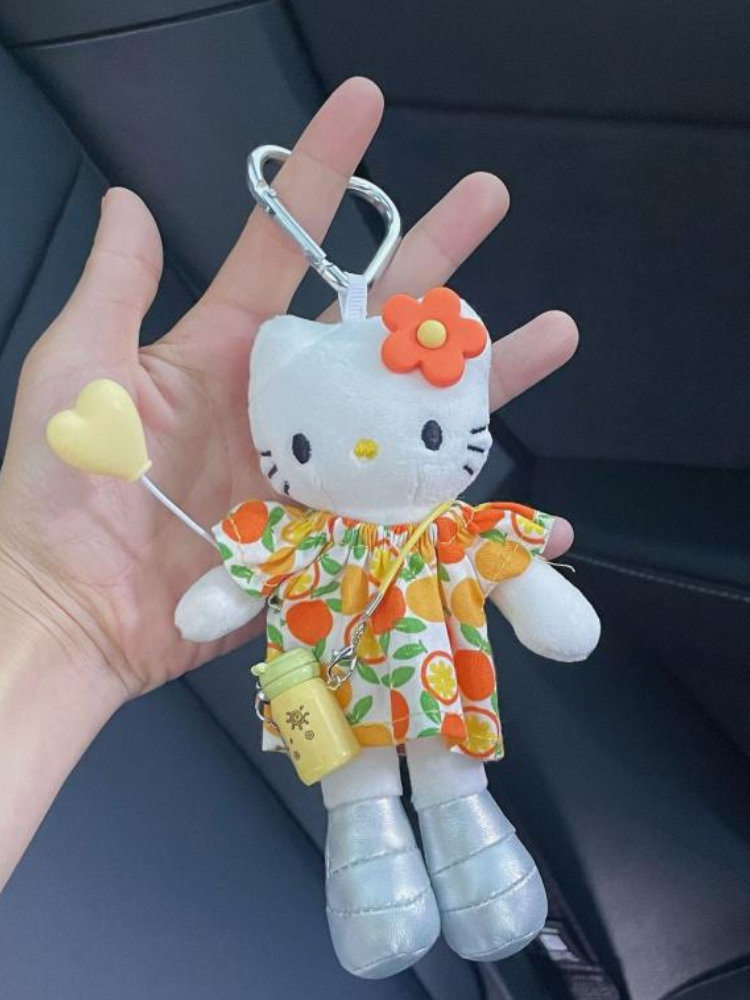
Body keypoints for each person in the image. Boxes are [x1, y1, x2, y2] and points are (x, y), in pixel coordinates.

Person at [0, 77, 578, 894]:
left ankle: (473, 855)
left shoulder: (445, 532)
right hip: (332, 688)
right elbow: (234, 583)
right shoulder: (304, 535)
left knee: (452, 779)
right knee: (357, 792)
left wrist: (543, 599)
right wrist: (45, 602)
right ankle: (375, 872)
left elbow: (516, 574)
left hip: (431, 687)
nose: (370, 448)